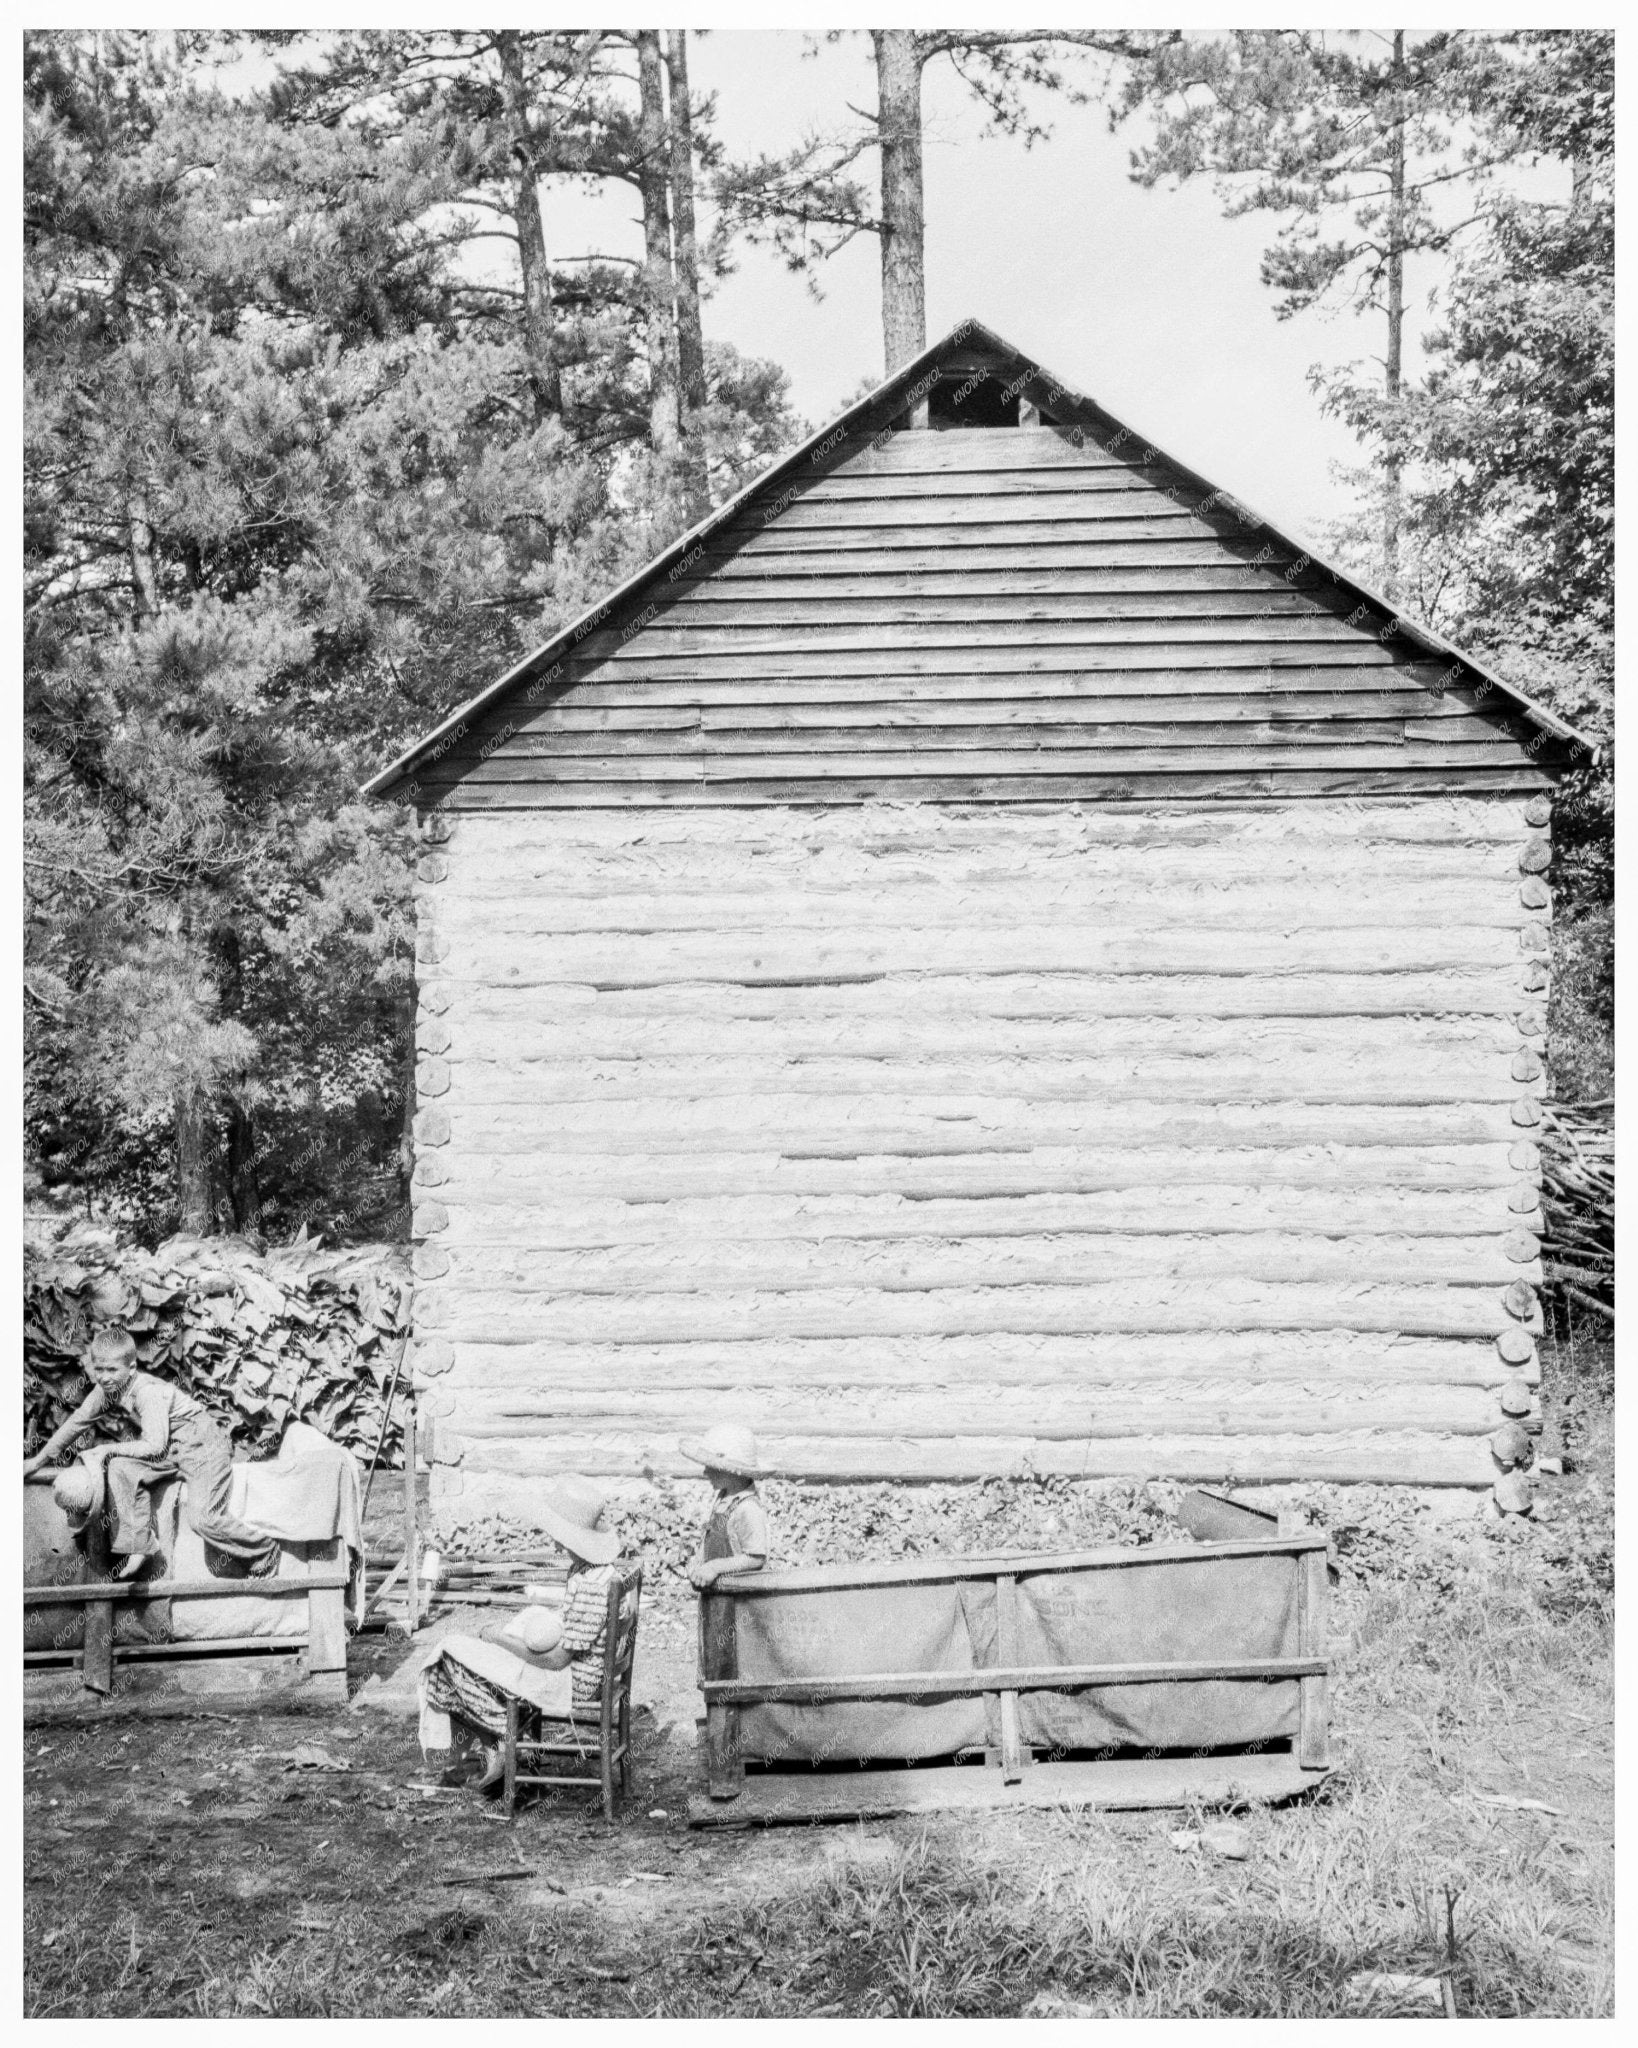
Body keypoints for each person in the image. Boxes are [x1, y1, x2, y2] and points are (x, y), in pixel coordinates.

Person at [417, 1473, 627, 1792]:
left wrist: (502, 1639)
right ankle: (503, 1747)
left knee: (445, 1661)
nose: (557, 1542)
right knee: (460, 1653)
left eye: (561, 1536)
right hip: (585, 1671)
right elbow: (576, 1628)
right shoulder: (600, 1573)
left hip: (573, 1681)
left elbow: (557, 1661)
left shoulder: (589, 1586)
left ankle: (505, 1741)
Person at [22, 1327, 279, 1579]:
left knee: (203, 1519)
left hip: (203, 1448)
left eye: (112, 1370)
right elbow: (77, 1422)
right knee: (121, 1468)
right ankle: (138, 1545)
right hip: (169, 1448)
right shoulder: (108, 1389)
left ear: (131, 1369)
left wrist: (106, 1449)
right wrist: (36, 1461)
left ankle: (264, 1550)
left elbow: (153, 1446)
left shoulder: (148, 1392)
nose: (105, 1376)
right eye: (99, 1369)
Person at [681, 1423, 771, 1589]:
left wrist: (714, 1567)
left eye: (711, 1466)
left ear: (730, 1470)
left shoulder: (748, 1508)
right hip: (716, 1593)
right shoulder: (724, 1498)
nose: (705, 1472)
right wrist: (699, 1564)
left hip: (739, 1598)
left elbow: (756, 1558)